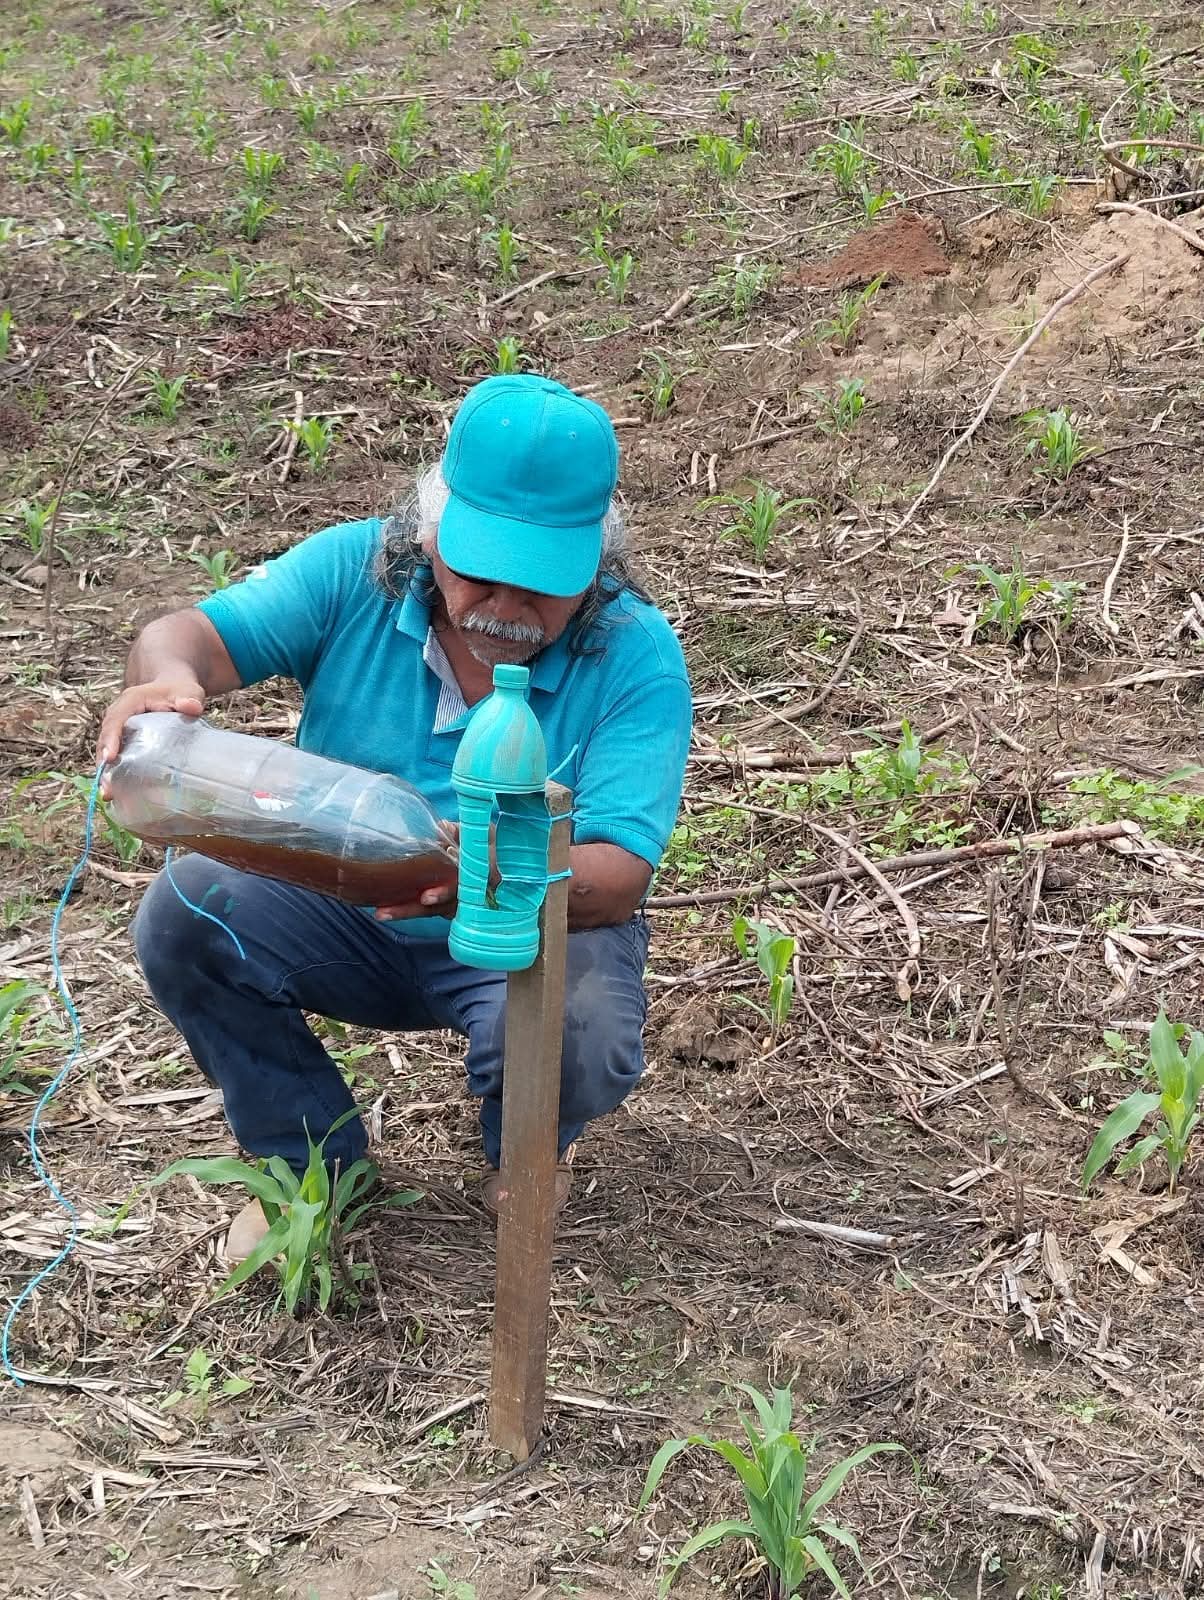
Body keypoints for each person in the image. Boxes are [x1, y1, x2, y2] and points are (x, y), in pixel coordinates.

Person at [98, 375, 693, 1259]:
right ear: (429, 530)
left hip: (524, 927)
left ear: (597, 565)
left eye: (541, 590)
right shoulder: (356, 573)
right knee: (187, 911)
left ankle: (524, 1153)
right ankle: (310, 1167)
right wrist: (168, 680)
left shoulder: (637, 656)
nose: (506, 610)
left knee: (583, 1026)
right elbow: (188, 635)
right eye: (479, 573)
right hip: (344, 902)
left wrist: (469, 881)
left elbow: (614, 877)